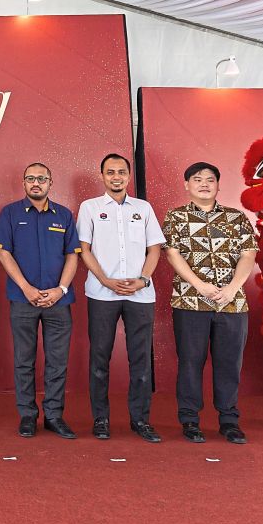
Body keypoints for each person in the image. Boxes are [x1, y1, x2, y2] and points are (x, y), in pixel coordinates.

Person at [162, 162, 258, 445]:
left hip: (232, 303)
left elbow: (248, 254)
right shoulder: (176, 217)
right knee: (190, 363)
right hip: (190, 302)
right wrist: (200, 285)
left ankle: (229, 421)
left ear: (217, 184)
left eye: (210, 179)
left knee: (229, 364)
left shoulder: (236, 217)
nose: (204, 184)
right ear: (186, 185)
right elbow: (172, 254)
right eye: (197, 179)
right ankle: (190, 420)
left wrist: (232, 288)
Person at [76, 153, 165, 442]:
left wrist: (143, 280)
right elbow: (84, 249)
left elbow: (154, 249)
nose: (116, 177)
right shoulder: (90, 207)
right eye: (110, 172)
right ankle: (100, 419)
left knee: (141, 360)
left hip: (140, 294)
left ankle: (140, 420)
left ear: (128, 176)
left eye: (121, 172)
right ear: (102, 176)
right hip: (102, 293)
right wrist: (105, 280)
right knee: (99, 358)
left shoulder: (143, 208)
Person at [0, 163, 81, 439]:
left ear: (50, 182)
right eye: (30, 178)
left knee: (57, 362)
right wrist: (26, 288)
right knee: (24, 360)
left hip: (58, 302)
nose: (36, 183)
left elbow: (72, 255)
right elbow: (4, 253)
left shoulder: (64, 215)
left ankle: (54, 416)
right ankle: (28, 415)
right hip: (23, 299)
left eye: (41, 178)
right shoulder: (10, 213)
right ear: (23, 183)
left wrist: (61, 290)